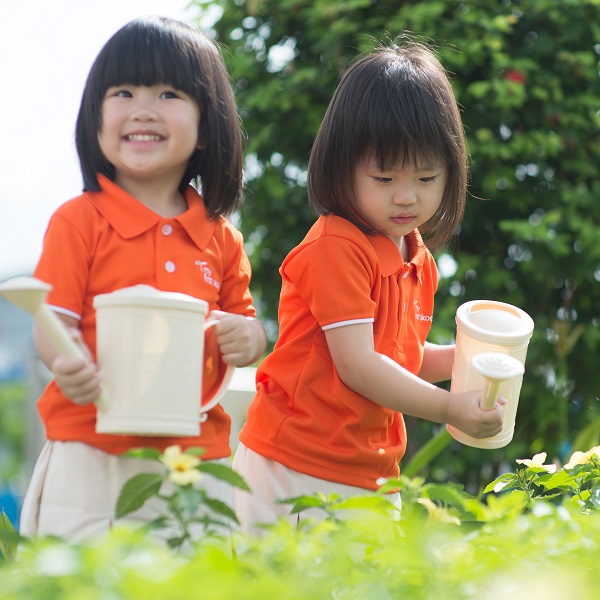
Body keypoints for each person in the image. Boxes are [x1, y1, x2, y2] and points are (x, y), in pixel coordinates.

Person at [233, 39, 505, 533]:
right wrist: (449, 408)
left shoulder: (415, 256)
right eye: (383, 177)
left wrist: (473, 353)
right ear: (343, 167)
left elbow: (401, 357)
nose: (406, 196)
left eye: (426, 176)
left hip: (371, 472)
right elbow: (359, 364)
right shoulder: (337, 246)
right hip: (293, 464)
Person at [19, 16, 266, 542]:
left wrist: (248, 338)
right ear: (95, 116)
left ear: (209, 122)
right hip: (91, 451)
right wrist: (66, 360)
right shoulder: (78, 220)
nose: (142, 108)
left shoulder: (222, 240)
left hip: (194, 459)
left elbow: (246, 330)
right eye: (124, 91)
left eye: (169, 93)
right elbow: (52, 319)